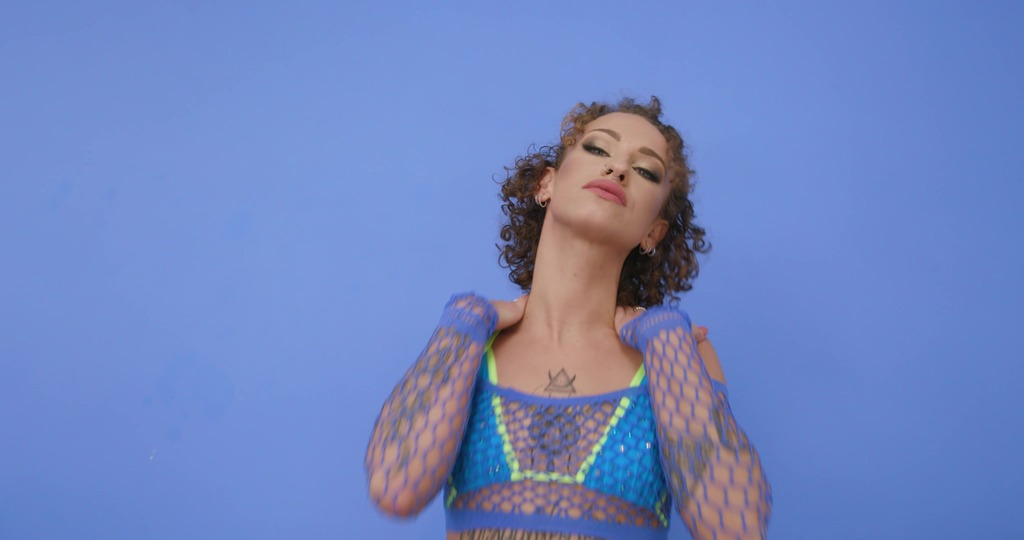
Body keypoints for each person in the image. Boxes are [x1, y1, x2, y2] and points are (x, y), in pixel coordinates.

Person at [365, 97, 772, 540]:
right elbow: (396, 487)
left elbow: (736, 526)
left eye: (645, 170)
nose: (618, 169)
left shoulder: (679, 354)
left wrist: (665, 340)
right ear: (547, 184)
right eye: (598, 149)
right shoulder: (471, 343)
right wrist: (464, 323)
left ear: (653, 231)